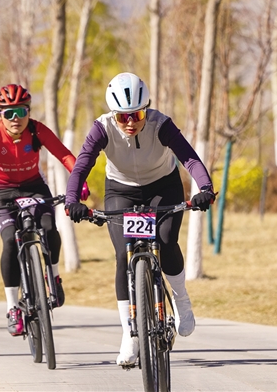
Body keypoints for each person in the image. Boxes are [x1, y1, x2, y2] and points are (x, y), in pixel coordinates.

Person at [65, 72, 216, 366]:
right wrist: (72, 200)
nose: (130, 122)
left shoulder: (161, 124)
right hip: (121, 190)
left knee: (166, 240)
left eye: (137, 114)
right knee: (123, 254)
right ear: (114, 115)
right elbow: (82, 164)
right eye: (123, 117)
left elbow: (189, 158)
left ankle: (181, 300)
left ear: (146, 109)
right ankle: (129, 335)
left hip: (163, 186)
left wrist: (205, 189)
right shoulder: (102, 128)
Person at [0, 84, 89, 336]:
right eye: (9, 113)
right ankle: (12, 308)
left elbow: (64, 155)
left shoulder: (37, 130)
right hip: (1, 191)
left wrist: (79, 181)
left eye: (21, 111)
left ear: (29, 111)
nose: (15, 118)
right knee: (9, 240)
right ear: (0, 116)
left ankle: (53, 276)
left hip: (34, 187)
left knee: (49, 228)